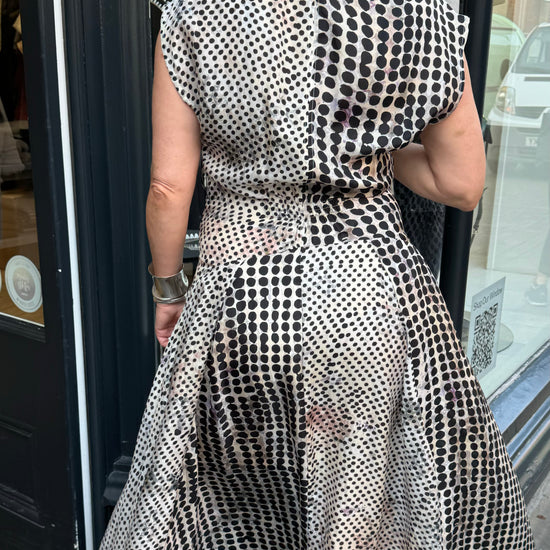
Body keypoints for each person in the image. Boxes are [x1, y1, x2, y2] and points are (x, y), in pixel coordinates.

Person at [99, 1, 536, 548]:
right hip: (366, 297)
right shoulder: (422, 17)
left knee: (225, 499)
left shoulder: (195, 13)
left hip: (240, 296)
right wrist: (365, 152)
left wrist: (168, 291)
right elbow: (462, 185)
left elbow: (168, 189)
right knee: (351, 497)